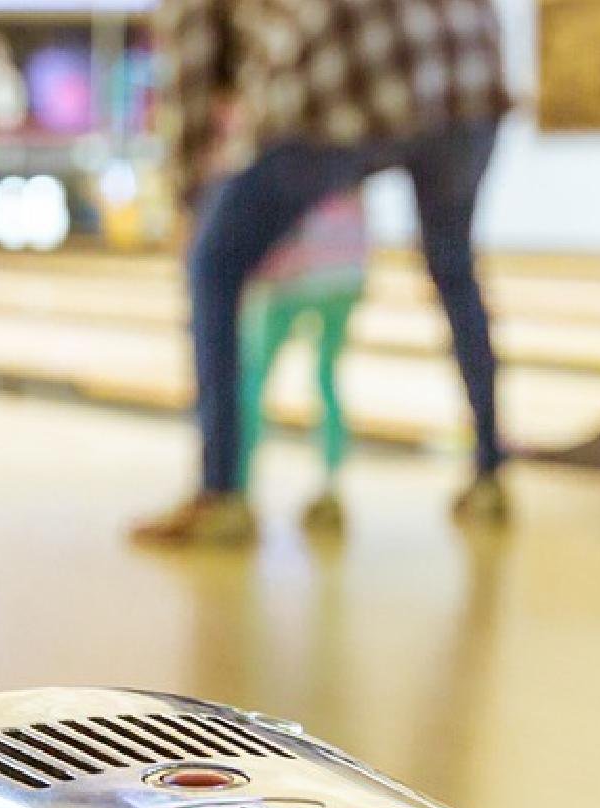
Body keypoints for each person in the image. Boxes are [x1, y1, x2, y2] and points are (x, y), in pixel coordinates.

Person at [134, 0, 513, 547]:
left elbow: (191, 73)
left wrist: (187, 202)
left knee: (213, 263)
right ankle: (490, 475)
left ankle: (220, 496)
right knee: (453, 266)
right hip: (469, 71)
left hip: (348, 70)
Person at [236, 189, 369, 535]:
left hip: (293, 269)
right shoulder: (351, 145)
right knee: (327, 378)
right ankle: (330, 487)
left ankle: (236, 489)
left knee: (254, 381)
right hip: (347, 268)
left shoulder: (290, 145)